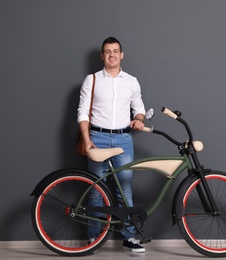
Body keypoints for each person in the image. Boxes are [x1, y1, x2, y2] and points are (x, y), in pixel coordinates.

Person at [77, 37, 146, 253]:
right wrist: (87, 139)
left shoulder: (132, 81)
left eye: (115, 51)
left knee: (124, 189)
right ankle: (93, 239)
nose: (112, 55)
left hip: (124, 139)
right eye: (107, 51)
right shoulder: (92, 79)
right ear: (102, 55)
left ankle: (129, 238)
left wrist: (140, 119)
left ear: (122, 54)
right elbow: (82, 111)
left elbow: (139, 108)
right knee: (97, 189)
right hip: (98, 138)